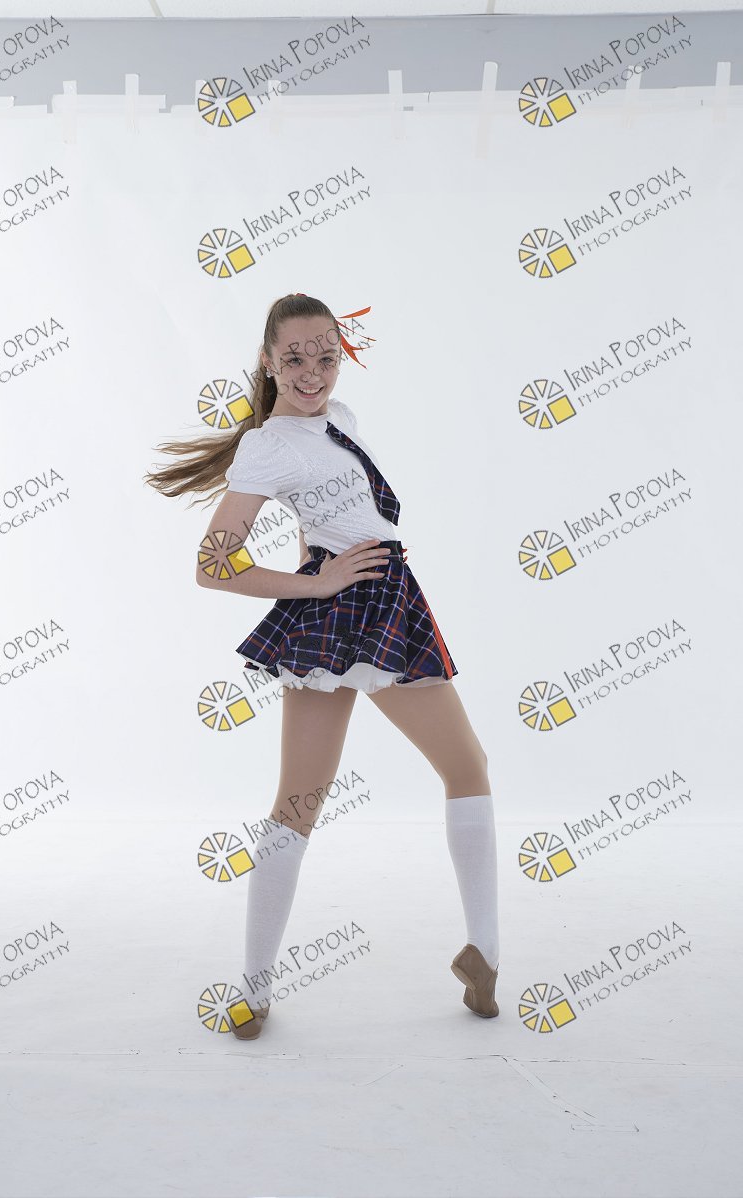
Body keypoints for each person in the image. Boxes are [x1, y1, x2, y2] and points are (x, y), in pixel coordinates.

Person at [144, 292, 499, 1038]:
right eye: (296, 358)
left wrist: (328, 560)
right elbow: (213, 565)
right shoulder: (267, 445)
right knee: (300, 802)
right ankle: (253, 989)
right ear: (268, 361)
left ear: (344, 357)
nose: (313, 372)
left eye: (326, 356)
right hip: (339, 607)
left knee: (466, 766)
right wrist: (319, 583)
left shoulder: (341, 420)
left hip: (390, 598)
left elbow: (323, 522)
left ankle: (483, 954)